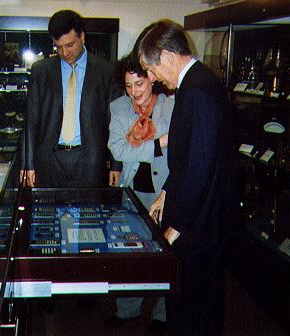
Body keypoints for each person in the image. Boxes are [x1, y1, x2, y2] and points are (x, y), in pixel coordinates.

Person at [134, 19, 234, 336]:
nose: (151, 78)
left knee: (195, 312)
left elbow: (201, 170)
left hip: (199, 227)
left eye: (150, 69)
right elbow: (188, 159)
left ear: (166, 56)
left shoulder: (198, 92)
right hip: (197, 218)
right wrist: (166, 192)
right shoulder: (195, 85)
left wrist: (175, 229)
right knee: (189, 306)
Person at [107, 53, 173, 335]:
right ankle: (127, 310)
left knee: (163, 253)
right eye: (128, 86)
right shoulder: (119, 107)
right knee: (128, 252)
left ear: (152, 79)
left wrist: (142, 148)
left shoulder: (170, 106)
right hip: (132, 188)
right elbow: (118, 150)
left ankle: (161, 314)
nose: (134, 93)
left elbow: (181, 144)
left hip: (164, 190)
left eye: (139, 85)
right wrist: (159, 144)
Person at [20, 9, 120, 187]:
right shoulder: (41, 71)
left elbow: (114, 120)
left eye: (69, 45)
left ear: (82, 36)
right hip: (49, 161)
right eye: (58, 47)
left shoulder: (106, 71)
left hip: (90, 162)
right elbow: (31, 120)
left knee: (89, 214)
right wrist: (27, 163)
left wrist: (116, 164)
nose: (64, 52)